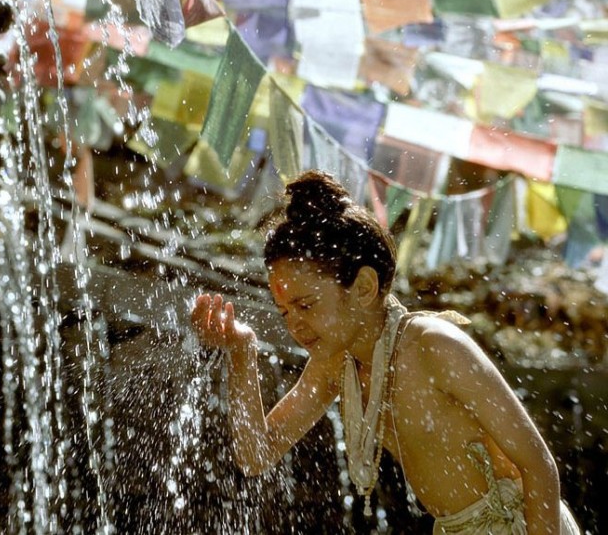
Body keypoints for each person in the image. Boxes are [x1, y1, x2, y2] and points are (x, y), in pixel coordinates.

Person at [191, 170, 581, 535]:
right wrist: (241, 351)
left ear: (364, 287)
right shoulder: (336, 363)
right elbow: (255, 456)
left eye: (306, 305)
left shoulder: (434, 346)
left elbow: (539, 466)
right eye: (285, 312)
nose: (296, 325)